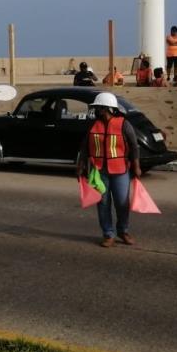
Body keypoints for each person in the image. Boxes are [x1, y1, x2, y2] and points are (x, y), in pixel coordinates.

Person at [77, 92, 141, 248]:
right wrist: (81, 166)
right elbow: (84, 148)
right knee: (103, 204)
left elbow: (134, 146)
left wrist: (137, 166)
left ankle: (123, 231)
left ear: (105, 108)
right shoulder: (93, 125)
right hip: (99, 172)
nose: (95, 110)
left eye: (98, 107)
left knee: (122, 203)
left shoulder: (123, 124)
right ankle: (108, 234)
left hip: (120, 171)